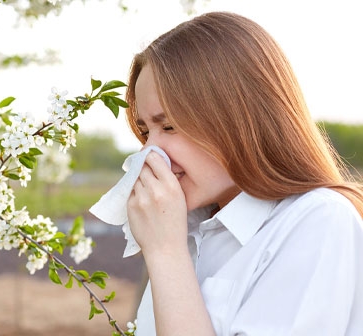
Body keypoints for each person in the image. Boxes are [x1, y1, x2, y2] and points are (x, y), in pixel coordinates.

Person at [124, 11, 363, 336]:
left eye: (168, 126)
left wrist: (166, 255)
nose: (150, 153)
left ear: (240, 116)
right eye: (145, 132)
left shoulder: (318, 221)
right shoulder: (189, 231)